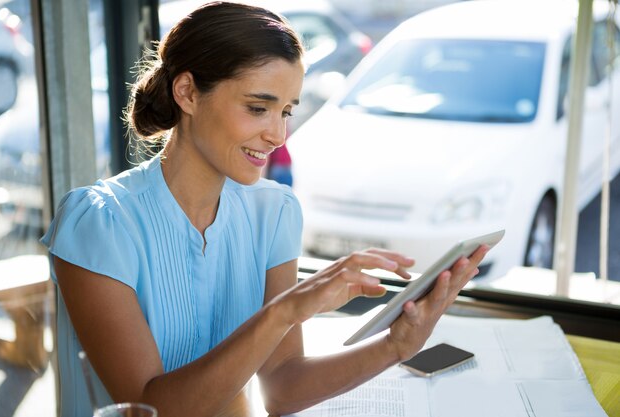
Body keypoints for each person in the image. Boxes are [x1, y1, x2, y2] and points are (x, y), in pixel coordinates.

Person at [40, 2, 489, 416]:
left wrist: (394, 347)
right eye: (258, 108)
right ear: (188, 93)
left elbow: (282, 386)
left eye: (287, 111)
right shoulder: (99, 222)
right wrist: (283, 312)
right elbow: (149, 407)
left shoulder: (274, 212)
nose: (278, 135)